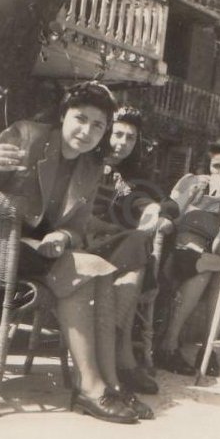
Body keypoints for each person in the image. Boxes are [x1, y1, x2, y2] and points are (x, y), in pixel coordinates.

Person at [0, 82, 146, 424]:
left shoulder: (91, 167)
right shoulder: (27, 135)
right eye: (80, 119)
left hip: (41, 255)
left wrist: (62, 235)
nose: (87, 131)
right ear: (63, 115)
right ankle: (90, 386)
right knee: (86, 268)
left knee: (100, 273)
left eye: (98, 126)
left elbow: (78, 226)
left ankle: (110, 384)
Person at [84, 106, 165, 399]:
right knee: (137, 246)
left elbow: (145, 198)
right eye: (118, 134)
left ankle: (117, 346)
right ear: (107, 132)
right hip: (80, 236)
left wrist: (152, 208)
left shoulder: (128, 174)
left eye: (130, 138)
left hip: (107, 241)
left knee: (137, 245)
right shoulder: (86, 158)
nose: (122, 143)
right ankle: (124, 358)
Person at [155, 138, 220, 376]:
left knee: (216, 273)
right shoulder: (192, 183)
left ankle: (206, 350)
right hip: (178, 251)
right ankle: (169, 345)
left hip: (209, 256)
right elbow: (170, 218)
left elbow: (219, 249)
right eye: (217, 166)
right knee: (215, 268)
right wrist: (189, 198)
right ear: (208, 167)